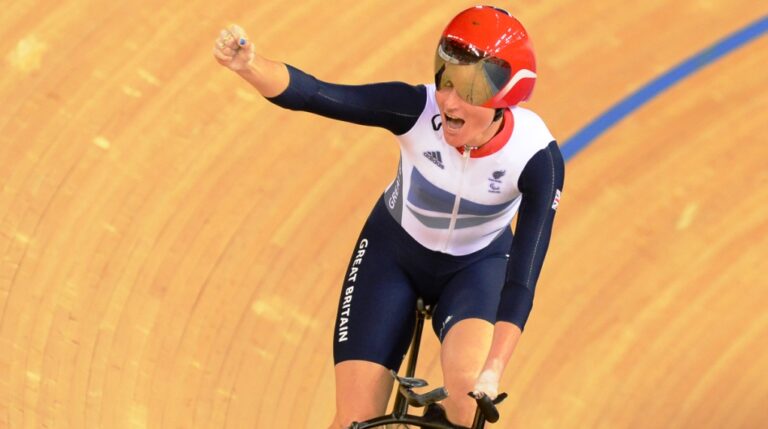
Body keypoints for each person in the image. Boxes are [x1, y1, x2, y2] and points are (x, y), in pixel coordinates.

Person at [213, 5, 564, 428]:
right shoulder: (415, 109)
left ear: (505, 98)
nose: (449, 101)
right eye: (445, 79)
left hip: (476, 269)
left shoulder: (536, 157)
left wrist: (494, 370)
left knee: (469, 403)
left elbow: (523, 278)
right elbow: (316, 94)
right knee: (355, 420)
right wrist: (250, 66)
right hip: (392, 255)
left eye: (470, 90)